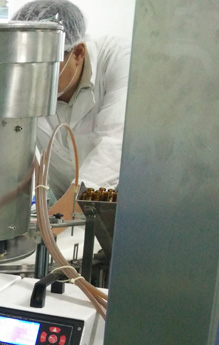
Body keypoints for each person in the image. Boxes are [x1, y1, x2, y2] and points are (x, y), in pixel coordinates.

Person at [13, 0, 131, 200]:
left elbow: (113, 145)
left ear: (78, 53)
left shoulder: (118, 60)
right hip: (63, 204)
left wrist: (68, 209)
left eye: (46, 65)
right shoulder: (21, 85)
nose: (34, 78)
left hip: (118, 205)